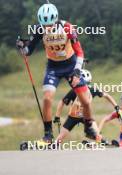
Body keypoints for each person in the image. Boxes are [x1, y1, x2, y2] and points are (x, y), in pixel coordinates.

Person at [16, 3, 98, 142]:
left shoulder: (67, 28)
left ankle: (88, 128)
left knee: (86, 101)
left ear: (55, 19)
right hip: (53, 67)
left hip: (71, 65)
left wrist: (77, 72)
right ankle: (48, 134)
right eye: (44, 25)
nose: (47, 28)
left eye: (49, 25)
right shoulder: (39, 29)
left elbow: (79, 52)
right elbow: (28, 52)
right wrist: (22, 47)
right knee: (47, 99)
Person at [54, 69, 119, 143]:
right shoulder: (75, 91)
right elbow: (62, 101)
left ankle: (100, 142)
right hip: (73, 117)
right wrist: (116, 106)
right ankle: (101, 141)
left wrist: (57, 116)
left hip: (85, 116)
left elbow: (106, 95)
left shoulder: (92, 89)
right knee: (60, 138)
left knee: (97, 133)